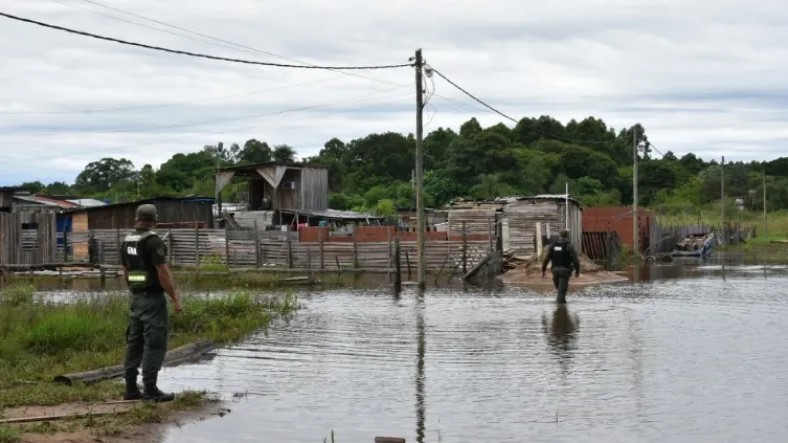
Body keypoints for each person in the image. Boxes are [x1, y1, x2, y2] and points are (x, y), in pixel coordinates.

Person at [120, 204, 183, 402]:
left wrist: (133, 292)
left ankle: (131, 389)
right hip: (153, 300)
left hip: (136, 299)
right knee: (155, 344)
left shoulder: (128, 240)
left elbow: (126, 271)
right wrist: (175, 299)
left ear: (137, 219)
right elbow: (163, 273)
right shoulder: (153, 241)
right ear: (155, 220)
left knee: (134, 343)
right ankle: (150, 390)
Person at [541, 230, 581, 304]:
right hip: (565, 271)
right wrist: (577, 270)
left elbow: (546, 258)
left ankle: (560, 309)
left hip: (555, 271)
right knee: (561, 292)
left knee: (560, 290)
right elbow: (575, 259)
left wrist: (543, 270)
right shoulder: (569, 246)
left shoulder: (553, 245)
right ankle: (561, 310)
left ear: (559, 235)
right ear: (567, 236)